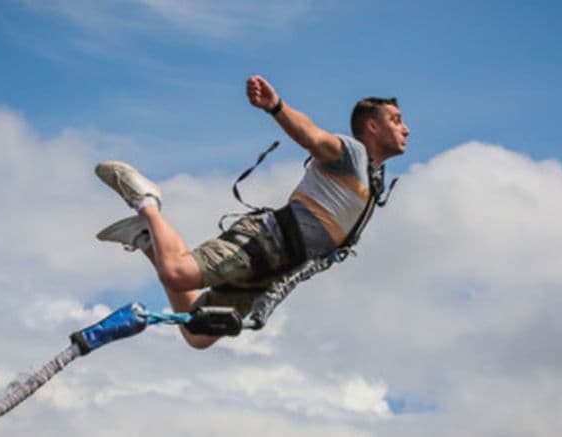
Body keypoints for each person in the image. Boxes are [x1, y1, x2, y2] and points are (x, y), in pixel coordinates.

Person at [94, 75, 409, 349]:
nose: (405, 129)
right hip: (266, 240)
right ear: (372, 126)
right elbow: (312, 135)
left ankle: (148, 240)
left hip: (277, 270)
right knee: (177, 274)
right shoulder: (352, 154)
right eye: (396, 120)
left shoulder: (373, 180)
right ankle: (146, 201)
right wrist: (276, 107)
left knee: (197, 334)